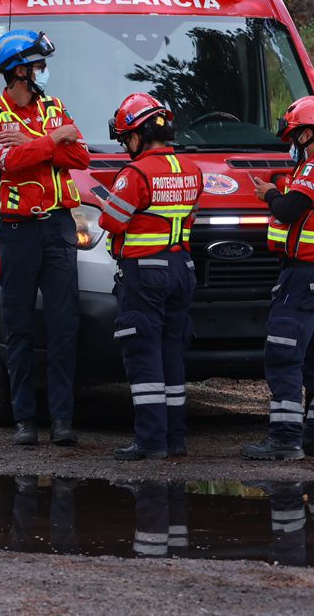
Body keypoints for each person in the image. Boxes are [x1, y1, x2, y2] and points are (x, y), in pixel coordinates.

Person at [0, 29, 90, 447]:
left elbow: (81, 155)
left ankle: (62, 421)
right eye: (38, 65)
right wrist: (53, 140)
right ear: (19, 70)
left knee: (63, 326)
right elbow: (11, 160)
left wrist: (43, 141)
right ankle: (25, 420)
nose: (43, 71)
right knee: (19, 326)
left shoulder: (54, 107)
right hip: (18, 232)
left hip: (59, 230)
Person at [242, 95, 314, 461]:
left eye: (293, 138)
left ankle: (285, 438)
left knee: (283, 351)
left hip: (304, 274)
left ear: (306, 136)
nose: (292, 145)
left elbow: (290, 210)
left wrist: (270, 193)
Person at [94, 93, 202, 461]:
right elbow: (188, 218)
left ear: (138, 136)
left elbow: (111, 220)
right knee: (172, 353)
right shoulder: (192, 170)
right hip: (182, 269)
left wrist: (107, 200)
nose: (126, 146)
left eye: (126, 139)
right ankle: (175, 439)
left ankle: (150, 441)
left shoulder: (136, 173)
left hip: (146, 274)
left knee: (143, 353)